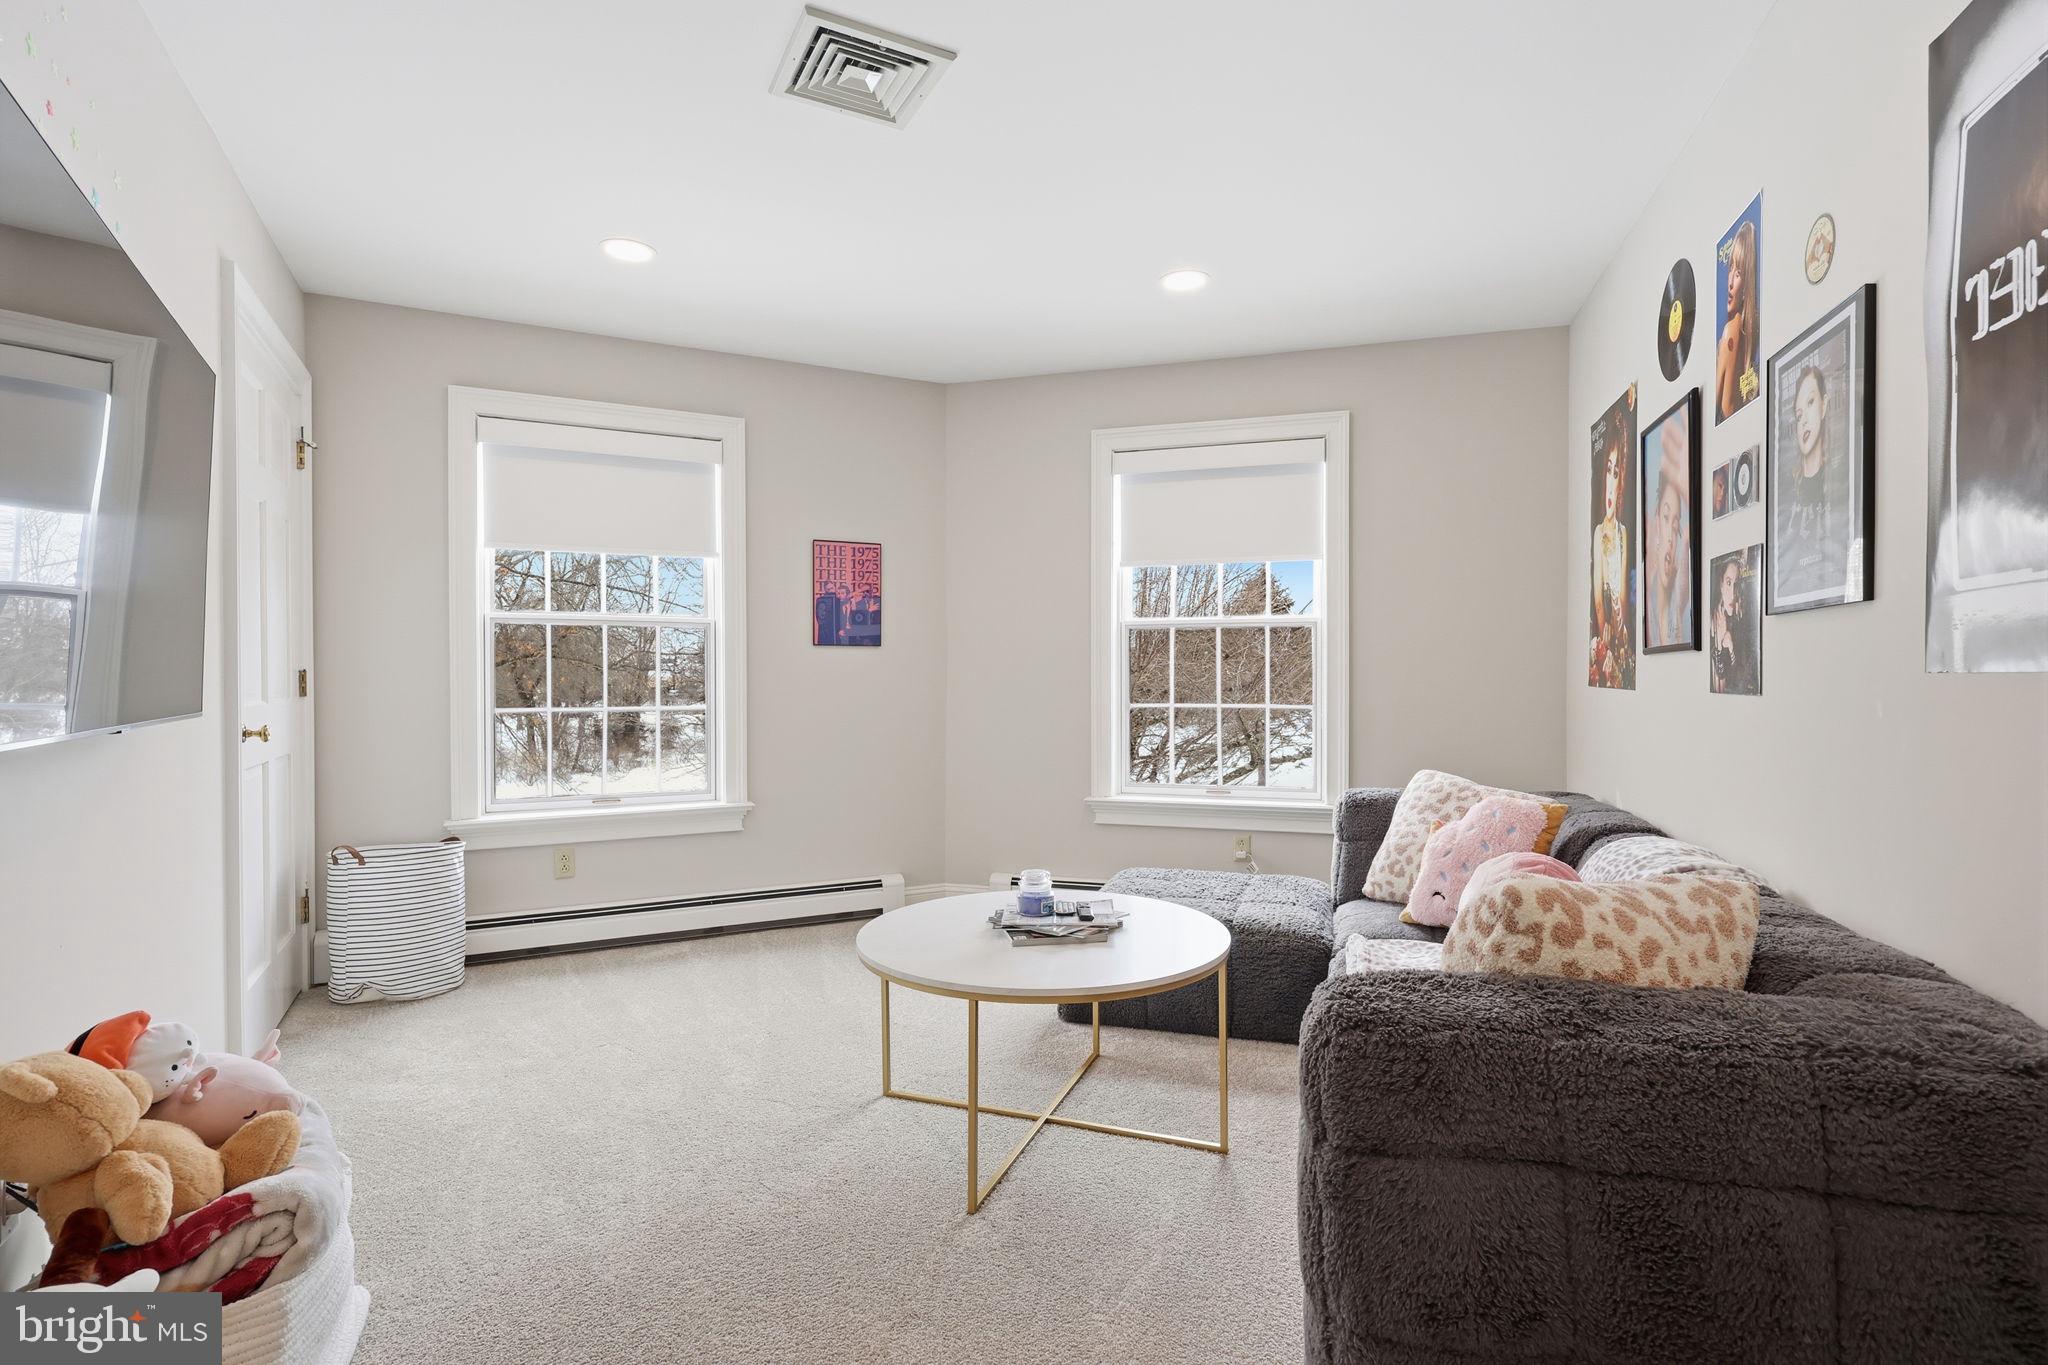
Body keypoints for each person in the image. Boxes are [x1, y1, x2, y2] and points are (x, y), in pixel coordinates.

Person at [1774, 362, 1858, 603]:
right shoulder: (1787, 499)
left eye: (1810, 403)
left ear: (1824, 406)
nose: (1803, 422)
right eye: (1798, 415)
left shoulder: (1840, 484)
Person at [1589, 436, 1633, 687]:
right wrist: (1606, 629)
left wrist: (1621, 631)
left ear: (1620, 482)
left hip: (1620, 634)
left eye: (1615, 472)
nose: (1610, 481)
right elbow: (1597, 597)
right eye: (1608, 469)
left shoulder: (1623, 533)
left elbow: (1625, 596)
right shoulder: (1598, 533)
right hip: (1606, 635)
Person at [1645, 421, 1692, 648]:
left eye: (1676, 525)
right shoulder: (1645, 606)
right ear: (1656, 524)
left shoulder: (1683, 604)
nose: (1672, 537)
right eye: (1666, 518)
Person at [1717, 219, 1759, 421]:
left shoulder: (1730, 331)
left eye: (1739, 273)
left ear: (1747, 281)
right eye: (1730, 269)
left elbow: (1717, 411)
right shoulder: (1749, 336)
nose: (1731, 283)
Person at [1710, 553, 1759, 694]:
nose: (1732, 593)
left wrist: (1730, 646)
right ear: (1720, 584)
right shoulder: (1714, 621)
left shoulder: (1743, 622)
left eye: (1736, 584)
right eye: (1728, 582)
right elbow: (1720, 680)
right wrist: (1719, 644)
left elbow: (1741, 681)